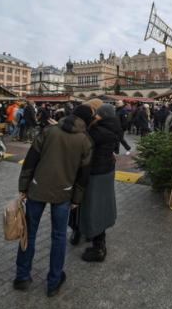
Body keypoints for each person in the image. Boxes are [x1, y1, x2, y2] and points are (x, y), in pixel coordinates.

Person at [15, 104, 93, 297]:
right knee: (58, 237)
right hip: (64, 193)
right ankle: (53, 282)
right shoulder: (85, 141)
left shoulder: (49, 131)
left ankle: (22, 277)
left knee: (29, 233)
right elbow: (84, 175)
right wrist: (77, 199)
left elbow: (31, 159)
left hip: (37, 187)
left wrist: (23, 187)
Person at [73, 102, 121, 262]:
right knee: (99, 206)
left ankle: (98, 247)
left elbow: (83, 146)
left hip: (95, 173)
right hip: (107, 171)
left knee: (93, 207)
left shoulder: (96, 131)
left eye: (97, 114)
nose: (95, 116)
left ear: (103, 115)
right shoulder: (113, 127)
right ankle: (90, 234)